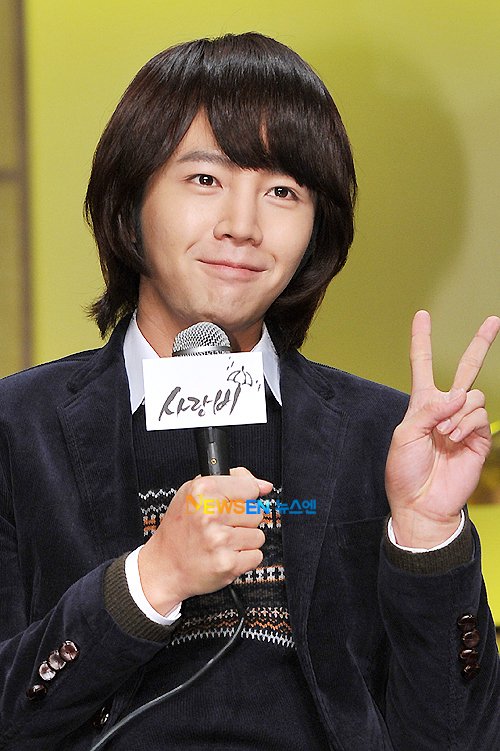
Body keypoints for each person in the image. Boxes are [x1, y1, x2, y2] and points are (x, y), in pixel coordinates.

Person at [0, 32, 498, 751]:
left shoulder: (384, 436)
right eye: (206, 180)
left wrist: (427, 542)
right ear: (131, 197)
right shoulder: (19, 429)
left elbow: (458, 738)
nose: (242, 226)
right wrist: (149, 580)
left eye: (282, 192)